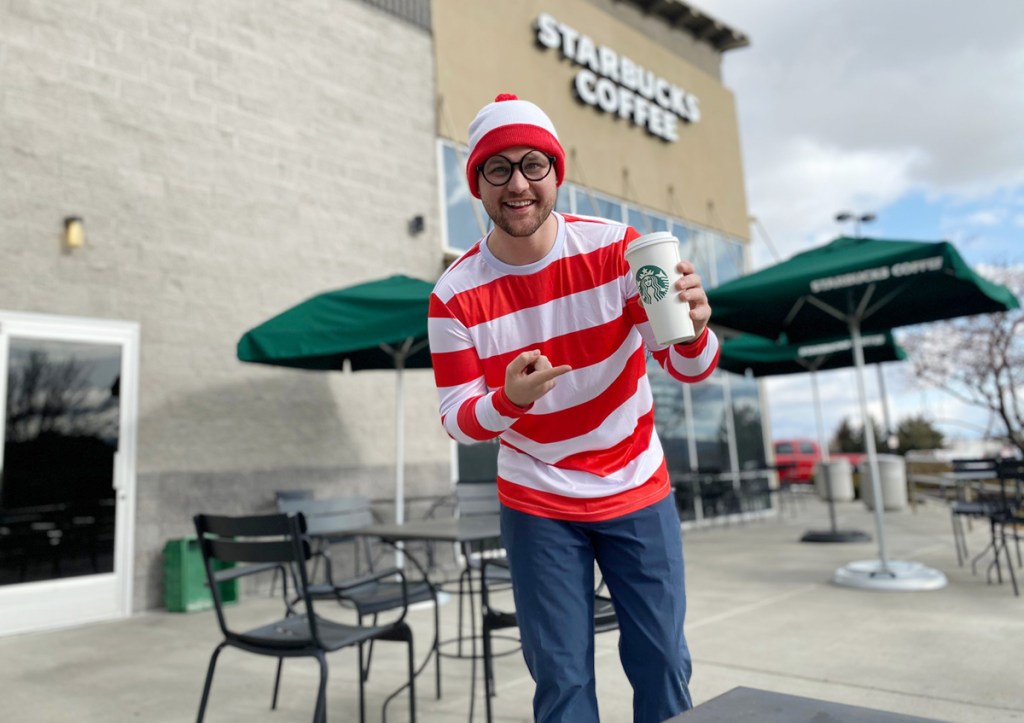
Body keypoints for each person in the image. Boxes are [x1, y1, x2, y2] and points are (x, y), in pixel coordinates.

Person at [428, 93, 719, 723]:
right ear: (477, 182)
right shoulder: (453, 296)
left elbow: (687, 368)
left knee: (664, 663)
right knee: (561, 680)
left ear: (557, 173)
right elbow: (456, 417)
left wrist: (694, 327)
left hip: (636, 484)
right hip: (537, 500)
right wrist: (508, 400)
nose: (518, 184)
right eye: (497, 168)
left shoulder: (621, 251)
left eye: (534, 164)